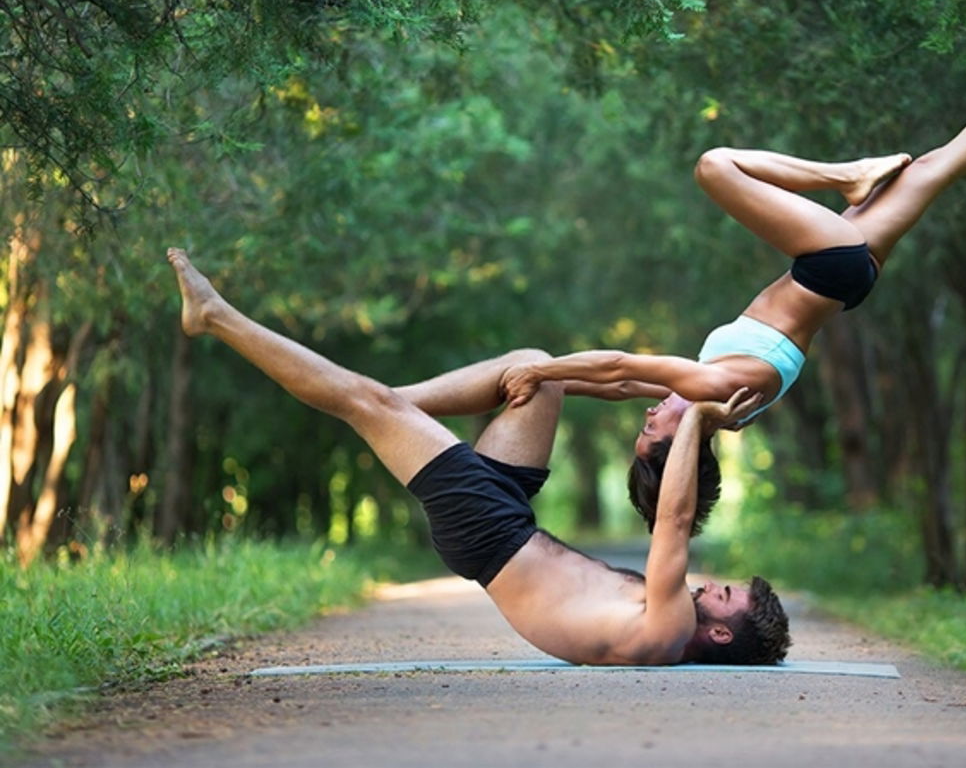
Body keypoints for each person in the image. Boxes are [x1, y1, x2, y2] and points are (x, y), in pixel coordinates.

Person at [500, 8, 966, 533]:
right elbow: (620, 362)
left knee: (935, 166)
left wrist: (541, 381)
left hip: (848, 281)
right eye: (651, 429)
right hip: (829, 266)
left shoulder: (713, 409)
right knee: (714, 167)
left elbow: (620, 383)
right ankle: (845, 173)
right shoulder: (711, 391)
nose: (649, 413)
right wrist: (544, 369)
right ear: (678, 445)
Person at [166, 248, 791, 666]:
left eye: (726, 594)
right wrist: (672, 395)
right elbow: (622, 390)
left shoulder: (667, 632)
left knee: (364, 400)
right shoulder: (673, 617)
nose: (713, 583)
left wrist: (703, 420)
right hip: (509, 518)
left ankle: (217, 317)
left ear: (718, 632)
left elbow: (674, 522)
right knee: (536, 371)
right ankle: (386, 405)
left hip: (488, 532)